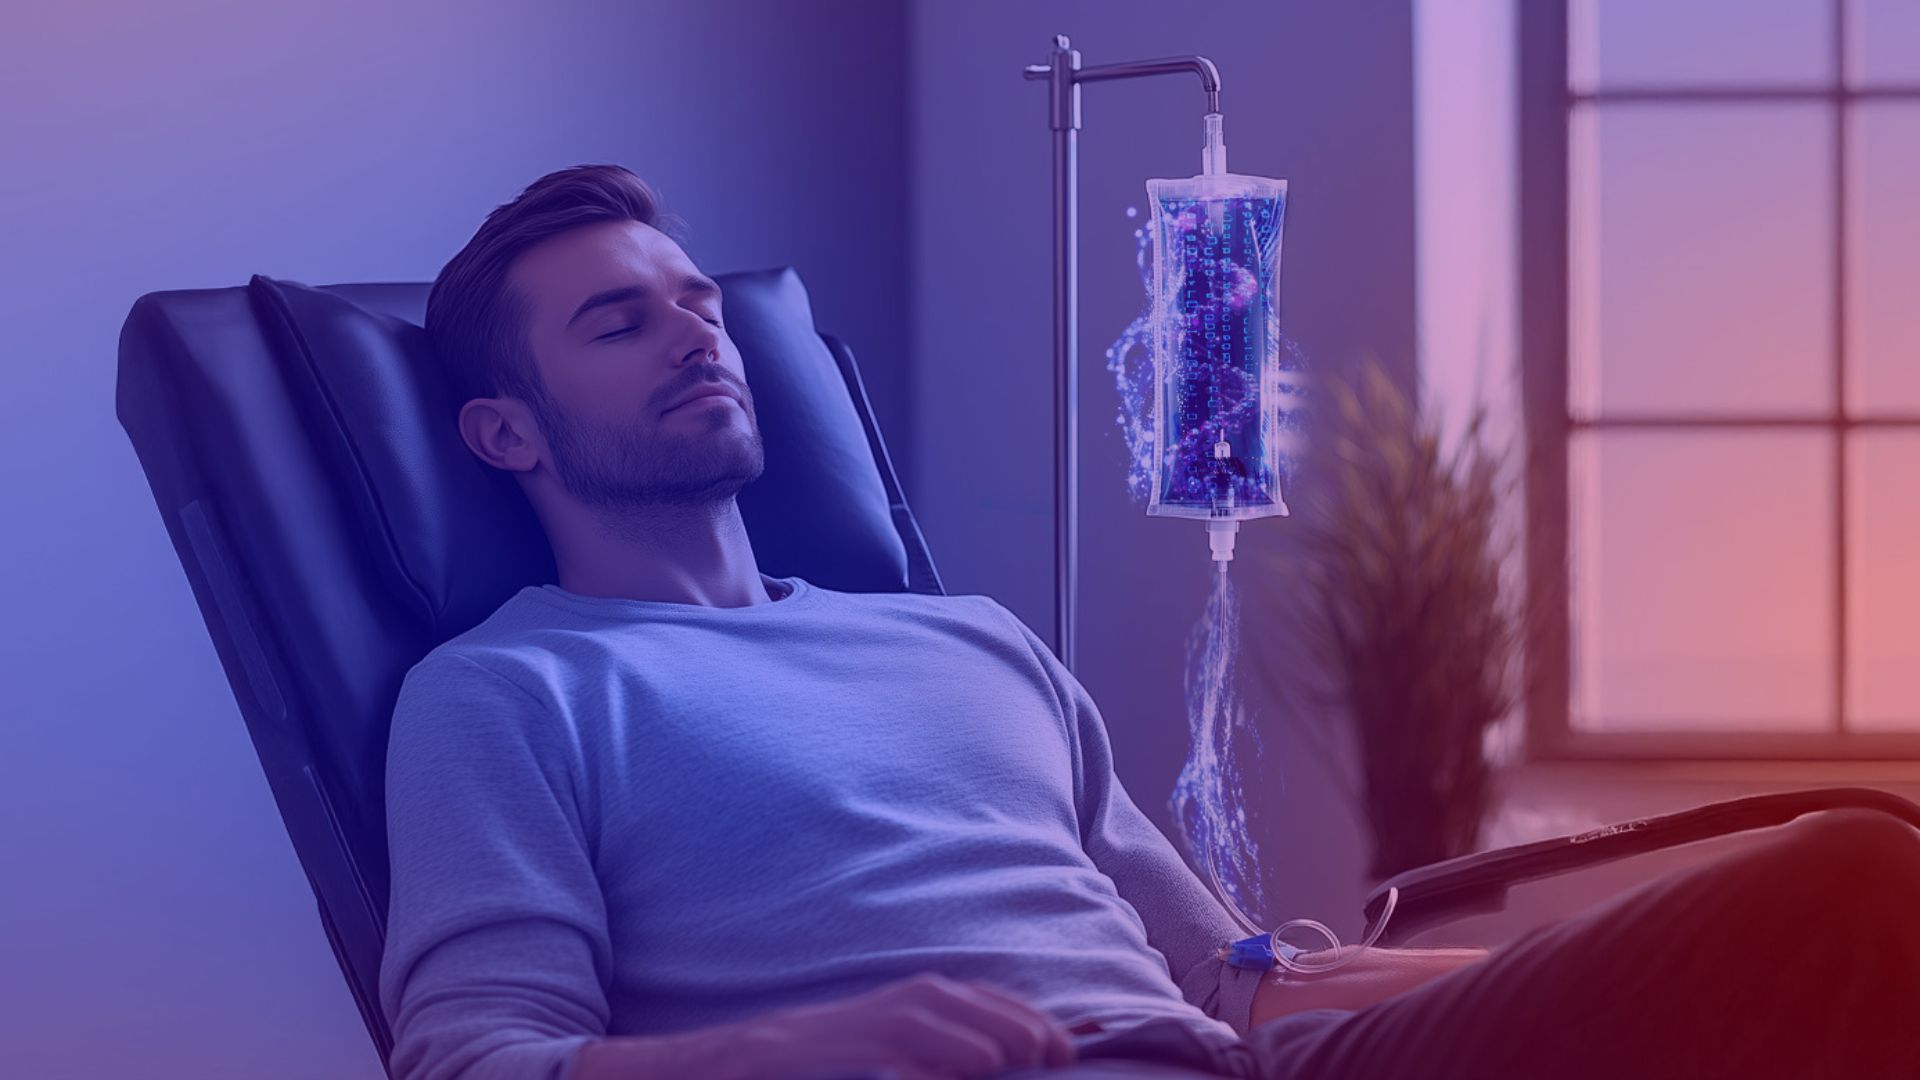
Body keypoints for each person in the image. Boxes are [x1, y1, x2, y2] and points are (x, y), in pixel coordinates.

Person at [379, 165, 1920, 1080]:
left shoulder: (964, 638)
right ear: (506, 437)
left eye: (696, 300)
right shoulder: (509, 695)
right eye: (616, 320)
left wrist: (1589, 968)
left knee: (1849, 887)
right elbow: (474, 1058)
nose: (692, 334)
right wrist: (801, 1048)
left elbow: (1229, 968)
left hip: (1252, 1060)